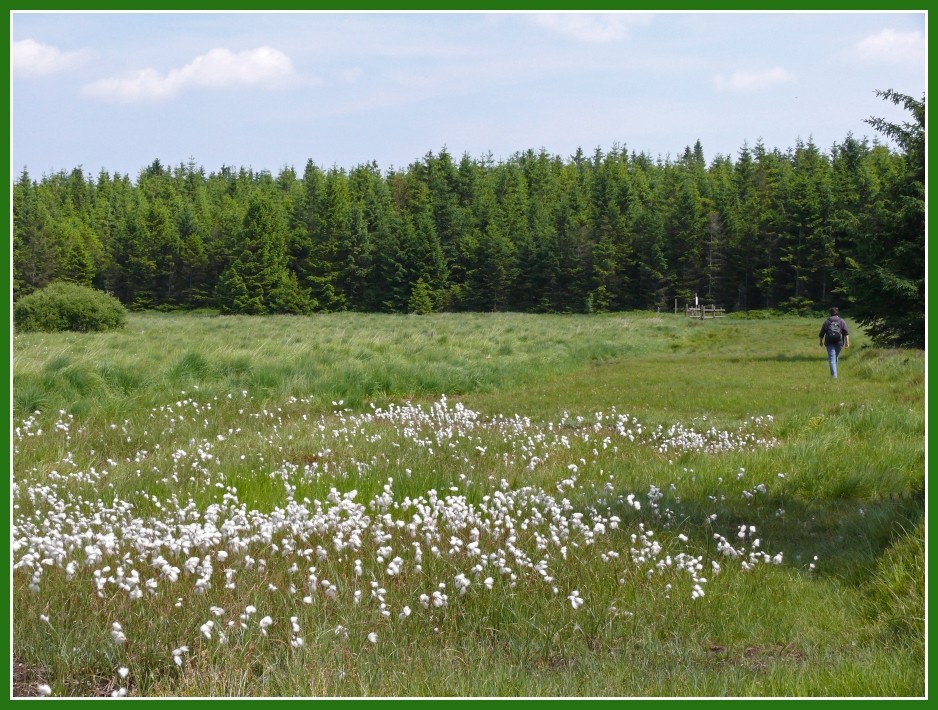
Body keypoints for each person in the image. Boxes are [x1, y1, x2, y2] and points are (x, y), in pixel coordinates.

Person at [819, 307, 849, 378]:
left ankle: (834, 376)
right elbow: (846, 333)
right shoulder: (841, 321)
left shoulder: (827, 321)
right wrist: (847, 342)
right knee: (835, 357)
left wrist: (821, 341)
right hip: (839, 342)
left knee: (832, 358)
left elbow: (822, 333)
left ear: (830, 313)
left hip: (829, 342)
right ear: (838, 312)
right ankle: (834, 374)